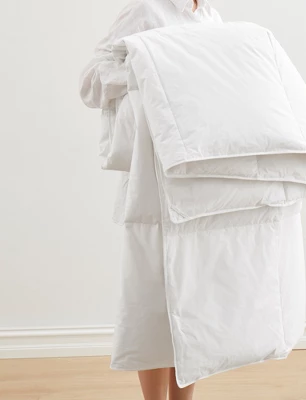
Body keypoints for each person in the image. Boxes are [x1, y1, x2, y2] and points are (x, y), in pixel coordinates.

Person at [80, 1, 222, 399]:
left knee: (191, 302)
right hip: (152, 181)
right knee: (153, 300)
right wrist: (148, 67)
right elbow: (90, 83)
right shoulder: (146, 10)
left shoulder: (211, 18)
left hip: (198, 178)